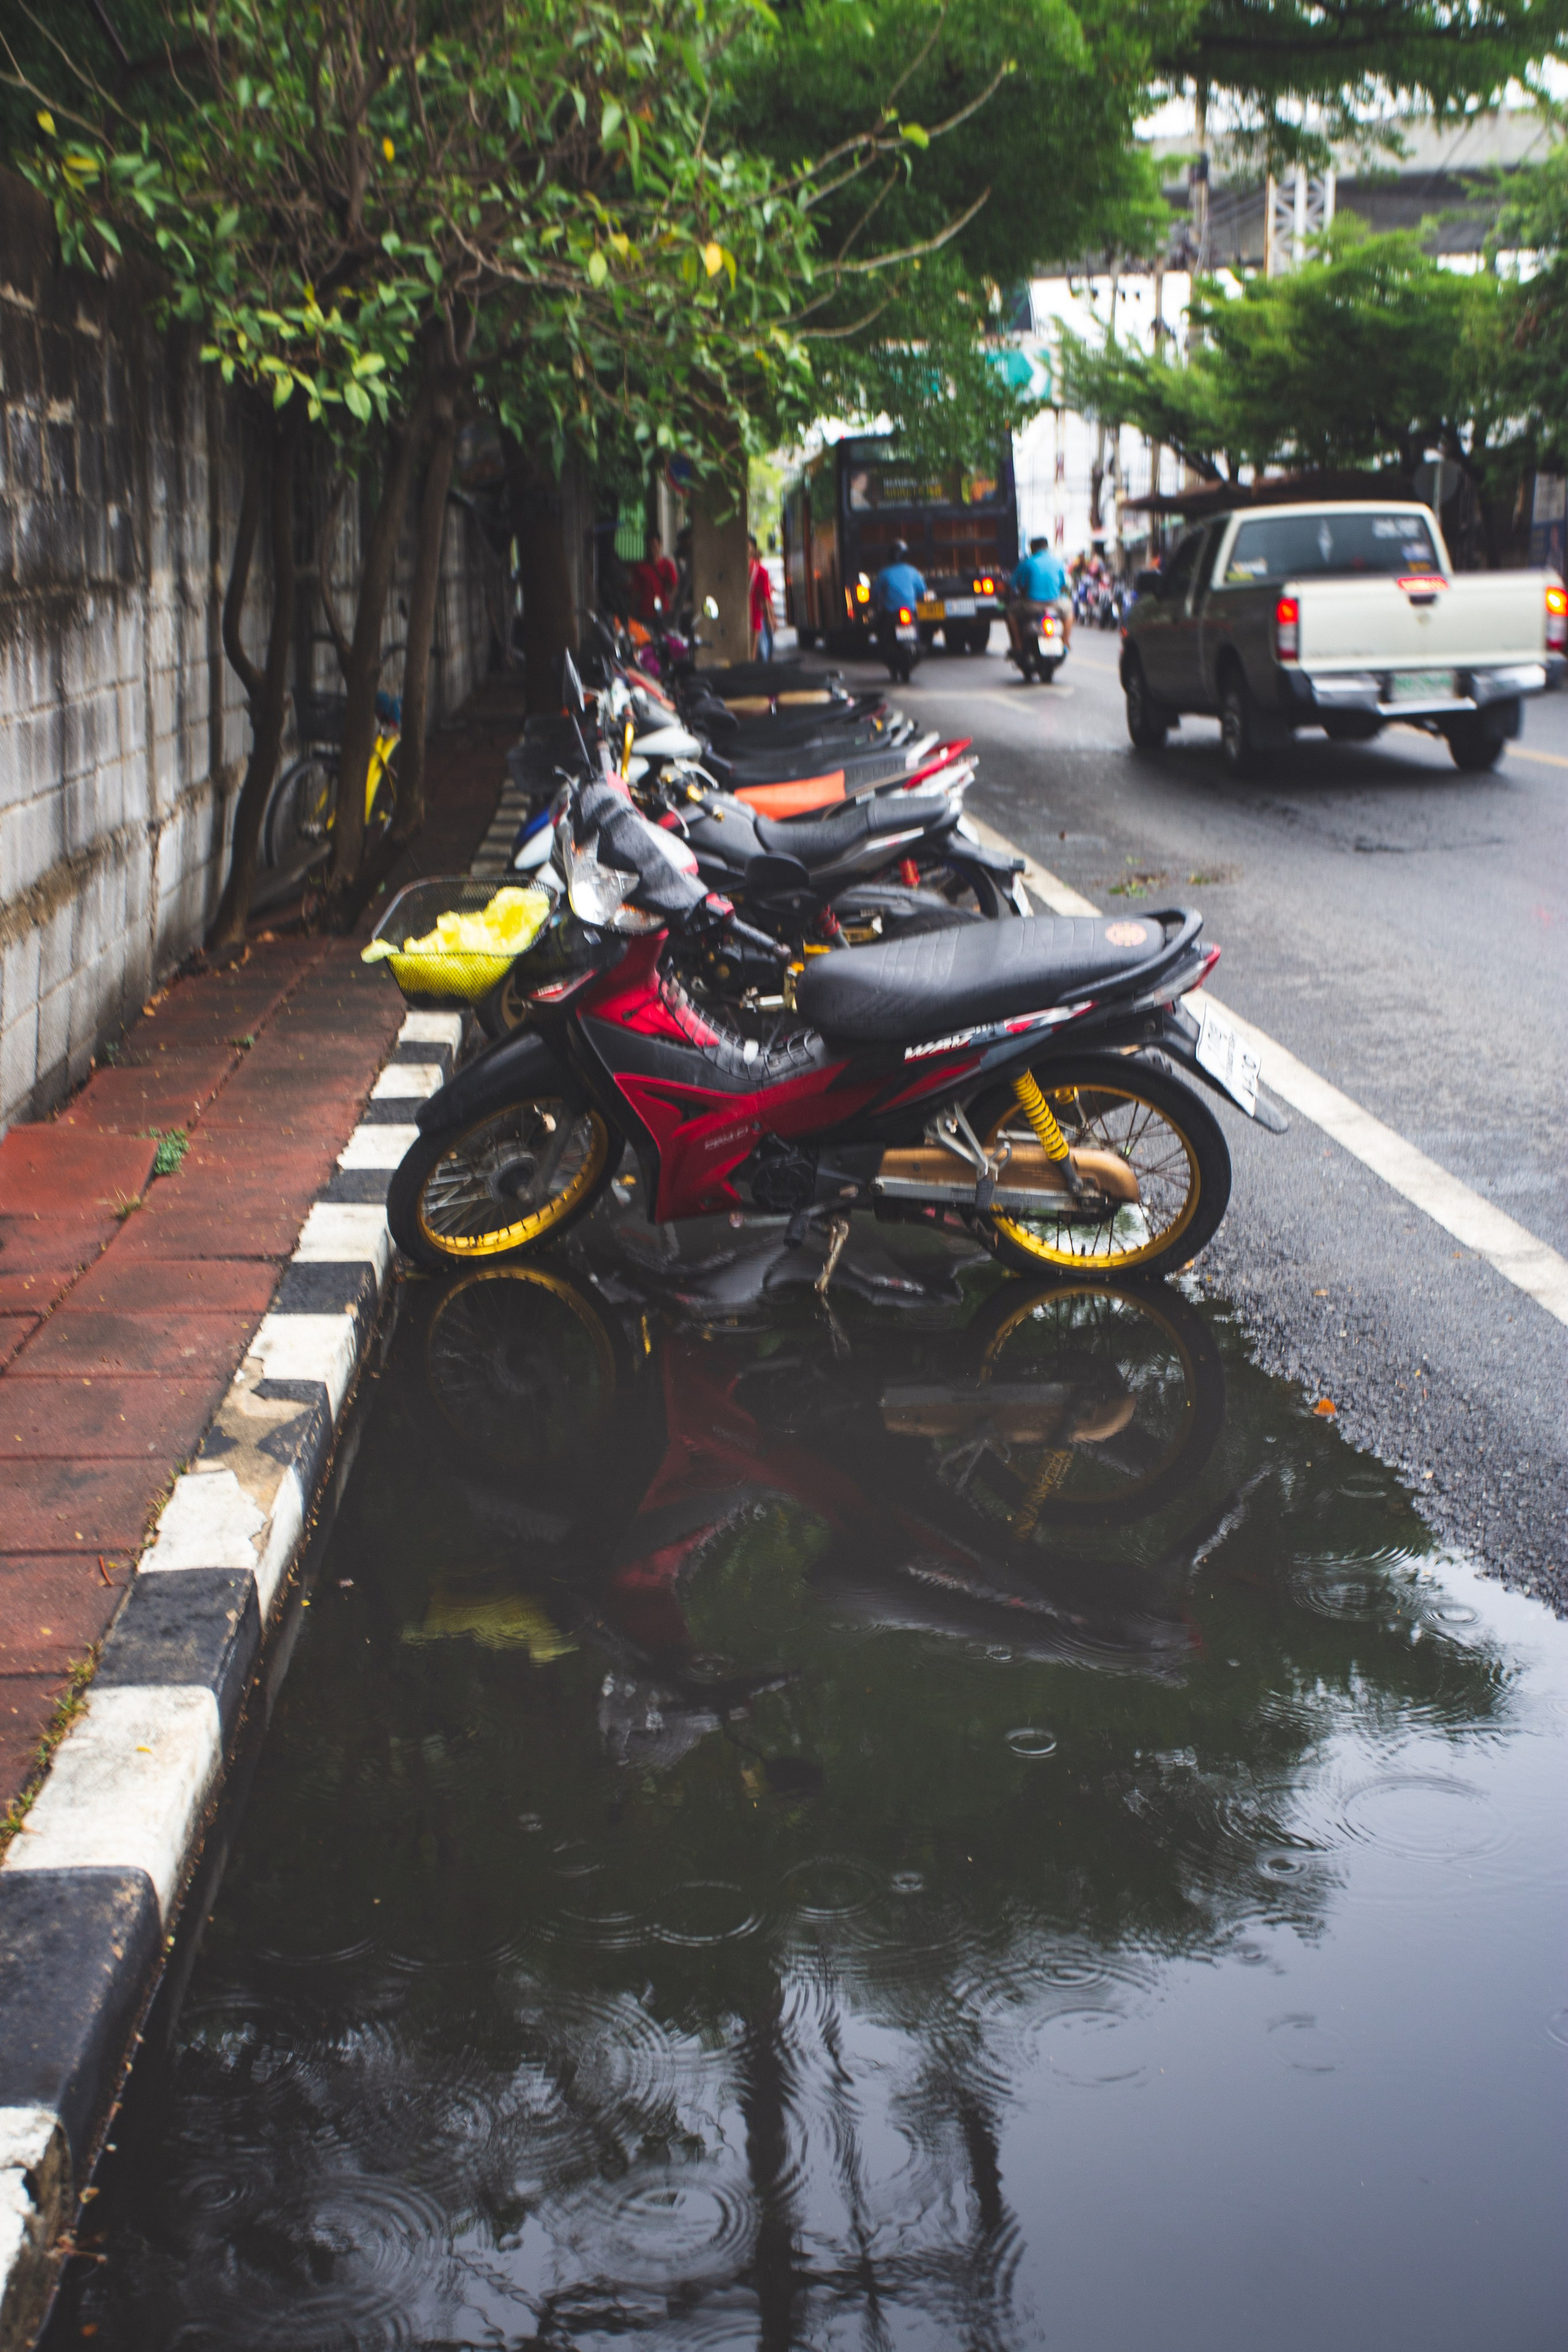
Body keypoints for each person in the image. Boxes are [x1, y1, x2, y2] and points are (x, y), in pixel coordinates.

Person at [1009, 533, 1072, 654]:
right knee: (1069, 614)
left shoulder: (1027, 563)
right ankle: (1065, 642)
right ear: (1046, 547)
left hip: (1032, 605)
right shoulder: (1058, 563)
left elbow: (1013, 583)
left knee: (1011, 613)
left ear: (1033, 548)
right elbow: (1064, 585)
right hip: (1055, 604)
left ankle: (1018, 644)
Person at [870, 537, 927, 643]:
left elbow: (875, 593)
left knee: (880, 626)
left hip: (890, 610)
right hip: (910, 608)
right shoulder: (913, 571)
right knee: (917, 623)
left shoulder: (884, 573)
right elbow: (922, 591)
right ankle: (918, 642)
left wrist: (874, 601)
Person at [631, 531, 679, 627]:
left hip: (663, 612)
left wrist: (670, 602)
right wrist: (632, 610)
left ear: (660, 545)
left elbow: (674, 584)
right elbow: (635, 590)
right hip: (645, 613)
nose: (652, 549)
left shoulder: (667, 565)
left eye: (654, 545)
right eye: (649, 546)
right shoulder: (640, 567)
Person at [748, 534, 776, 662]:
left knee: (754, 657)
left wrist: (771, 619)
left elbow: (765, 599)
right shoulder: (735, 570)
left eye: (748, 546)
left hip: (755, 619)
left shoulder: (760, 572)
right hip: (740, 618)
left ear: (753, 549)